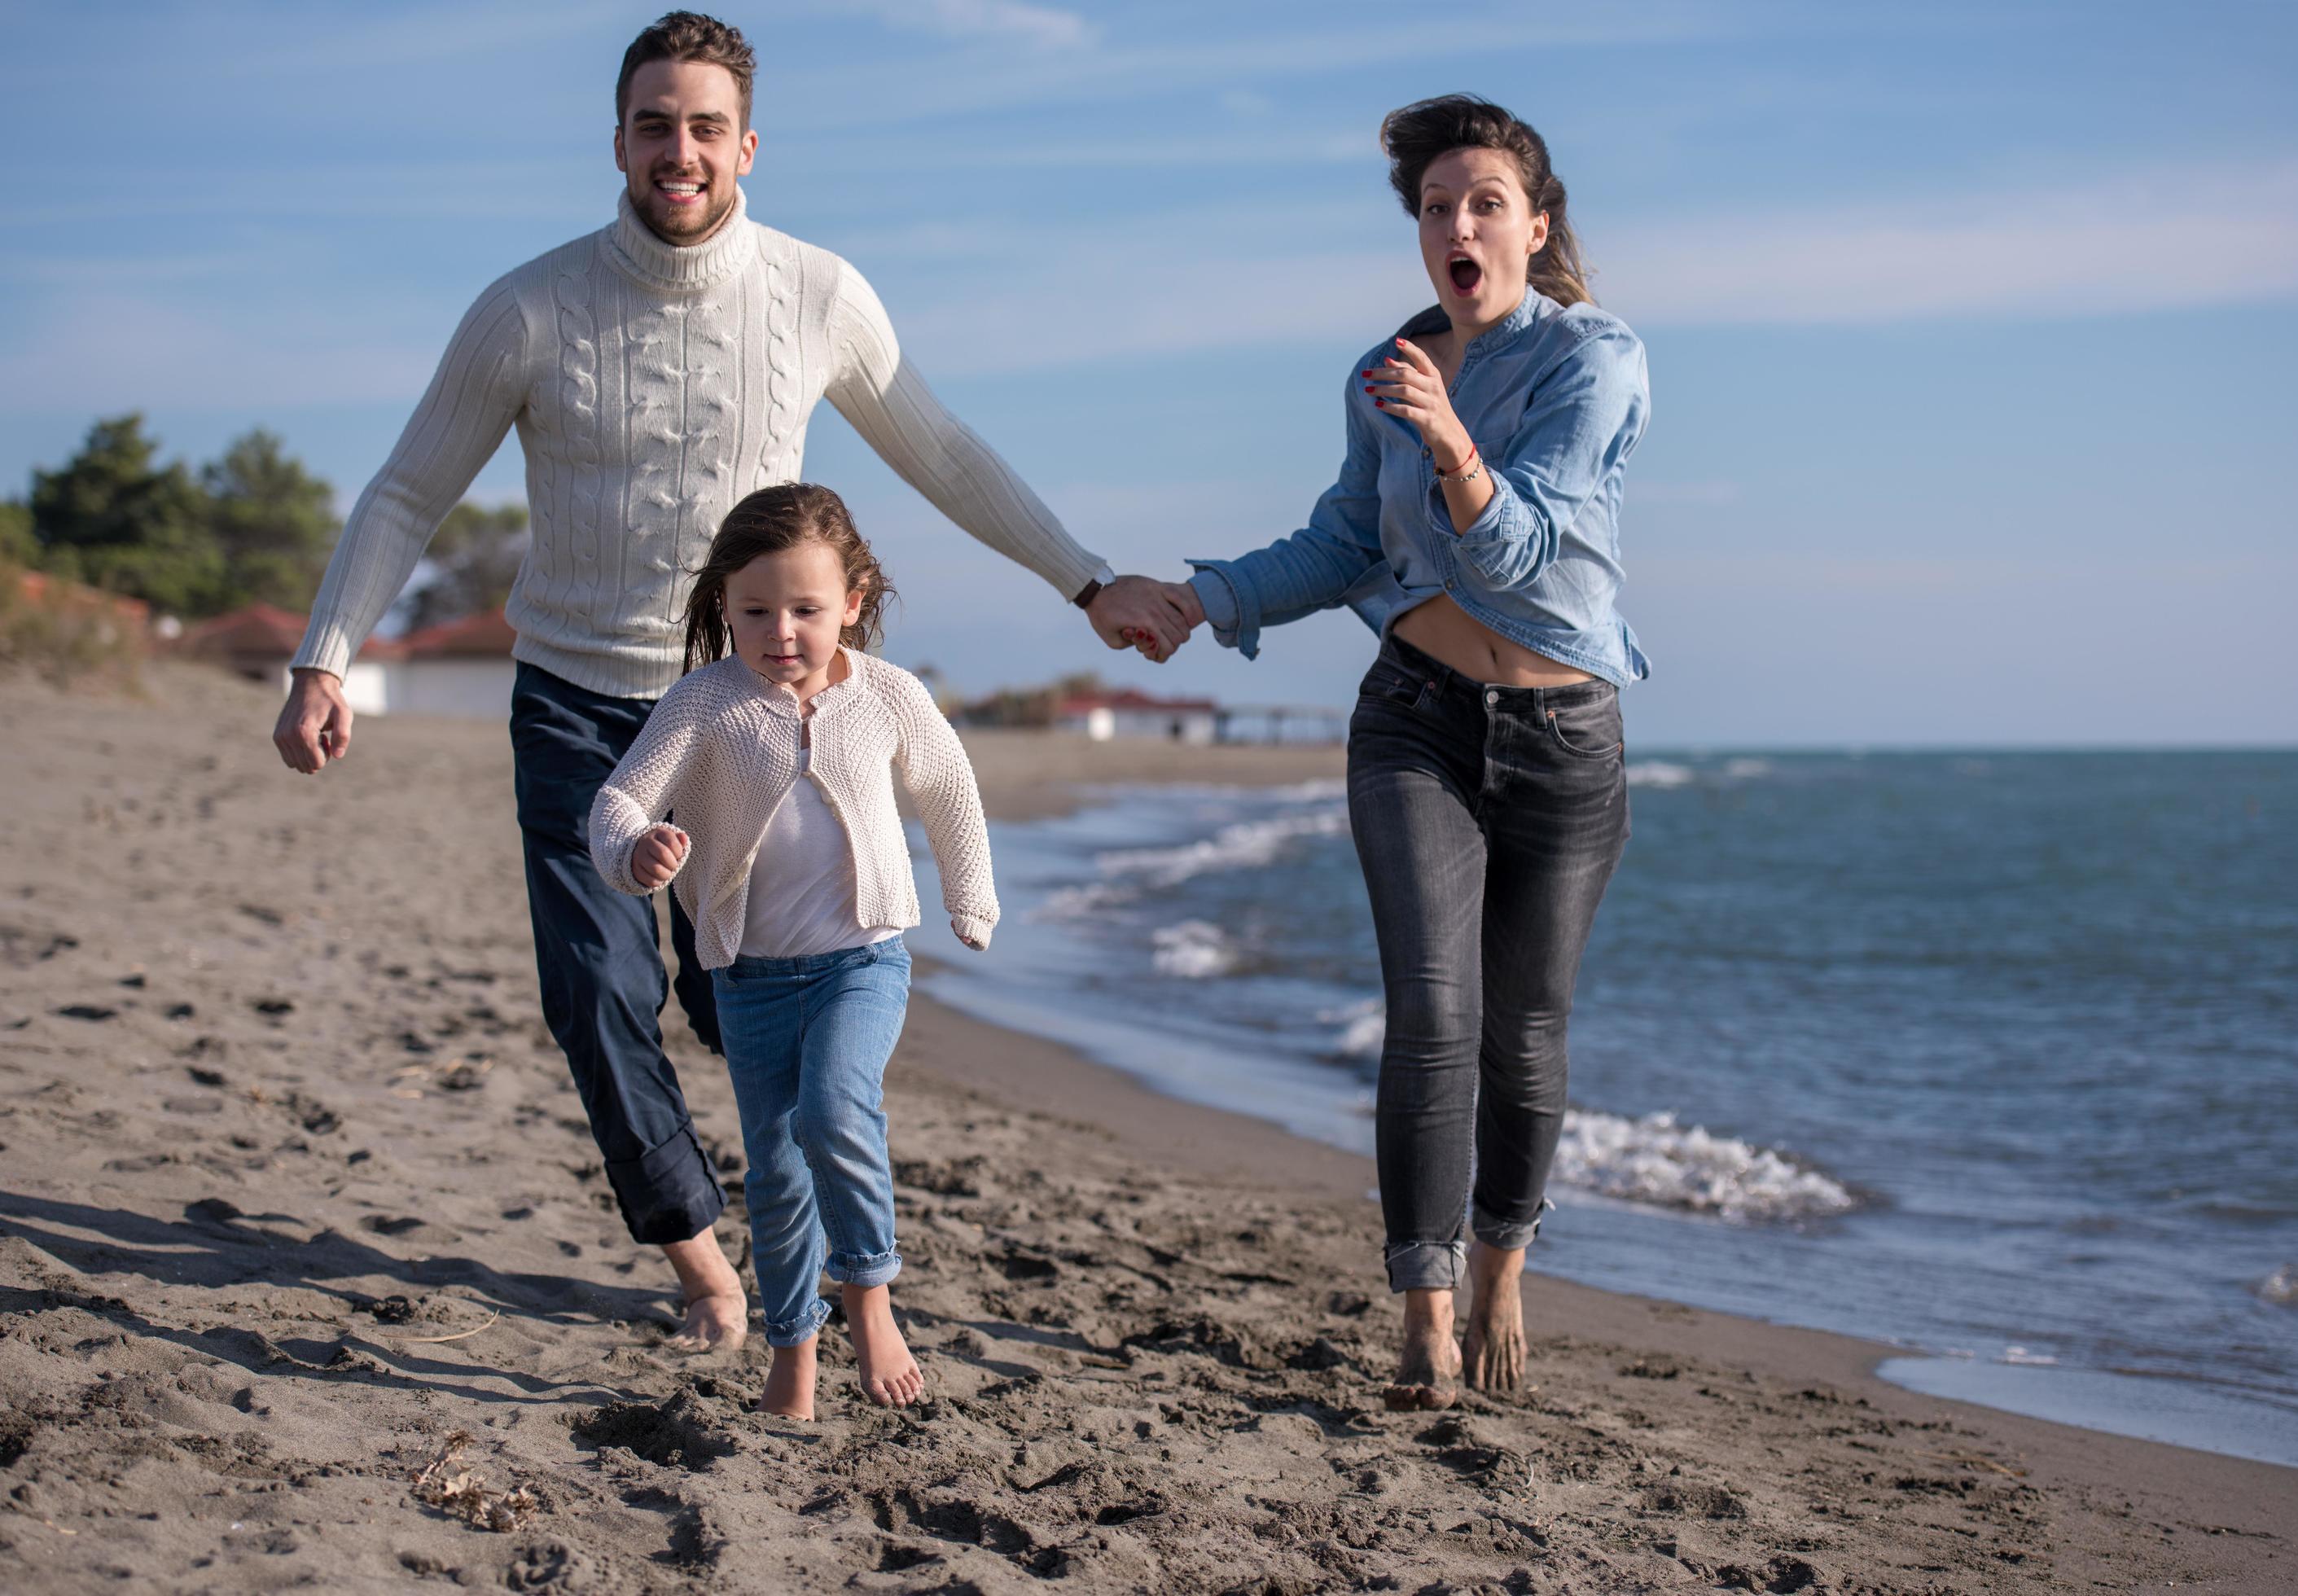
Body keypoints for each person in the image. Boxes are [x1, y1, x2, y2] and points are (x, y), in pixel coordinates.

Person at [268, 11, 1185, 1353]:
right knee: (593, 992)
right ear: (619, 141)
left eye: (705, 126)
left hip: (748, 717)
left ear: (747, 145)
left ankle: (809, 1258)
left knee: (741, 999)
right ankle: (701, 1261)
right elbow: (410, 487)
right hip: (577, 706)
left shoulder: (818, 293)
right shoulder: (528, 307)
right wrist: (322, 656)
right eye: (654, 123)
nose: (678, 149)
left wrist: (1084, 579)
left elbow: (941, 447)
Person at [1154, 95, 1648, 1409]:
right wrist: (1202, 600)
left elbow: (1525, 559)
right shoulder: (1385, 371)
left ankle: (1500, 1262)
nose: (1458, 226)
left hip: (1563, 740)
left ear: (1536, 228)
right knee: (1432, 1016)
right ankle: (1422, 1309)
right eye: (1437, 208)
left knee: (1525, 1034)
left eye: (1486, 203)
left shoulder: (1594, 362)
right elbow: (1344, 544)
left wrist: (1448, 438)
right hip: (1416, 720)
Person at [590, 483, 985, 1417]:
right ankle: (793, 1360)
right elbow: (617, 801)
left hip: (862, 960)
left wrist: (971, 897)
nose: (781, 632)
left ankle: (871, 1298)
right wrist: (635, 852)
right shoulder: (704, 702)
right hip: (750, 978)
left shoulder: (888, 694)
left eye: (806, 610)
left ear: (852, 602)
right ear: (721, 604)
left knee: (835, 1112)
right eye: (755, 610)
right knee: (773, 1169)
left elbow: (950, 789)